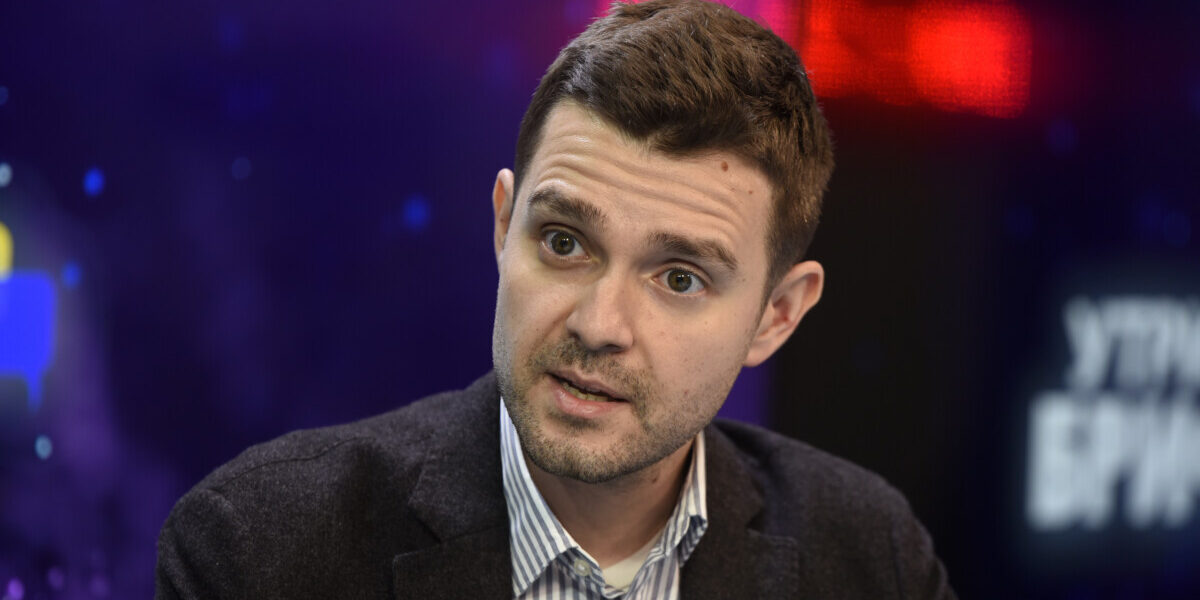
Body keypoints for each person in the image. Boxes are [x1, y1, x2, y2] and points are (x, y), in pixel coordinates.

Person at [156, 1, 956, 598]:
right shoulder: (260, 549)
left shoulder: (872, 559)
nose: (599, 325)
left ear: (776, 316)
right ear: (504, 225)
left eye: (679, 278)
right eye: (565, 242)